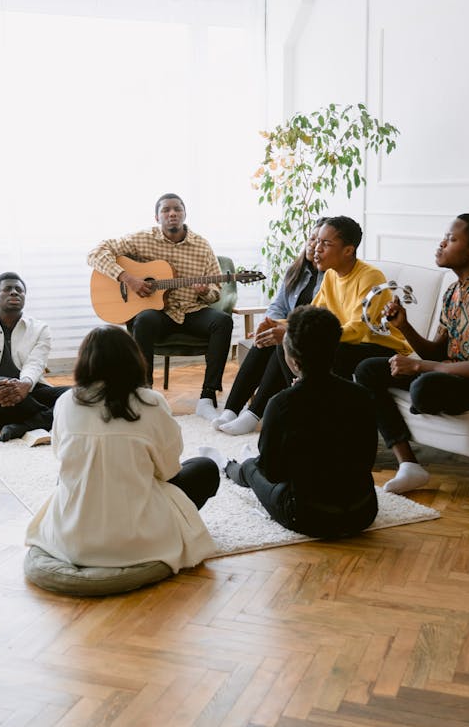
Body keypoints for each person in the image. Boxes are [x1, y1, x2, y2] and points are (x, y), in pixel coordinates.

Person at [355, 214, 469, 494]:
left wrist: (417, 367)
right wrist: (404, 326)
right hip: (456, 375)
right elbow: (437, 351)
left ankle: (420, 395)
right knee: (368, 369)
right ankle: (409, 465)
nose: (441, 244)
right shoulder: (454, 291)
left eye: (451, 239)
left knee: (424, 387)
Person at [25, 326, 219, 571]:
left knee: (68, 477)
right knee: (205, 467)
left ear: (84, 362)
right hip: (139, 540)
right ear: (134, 359)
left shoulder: (65, 401)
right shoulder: (152, 402)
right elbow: (169, 471)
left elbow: (60, 459)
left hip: (74, 541)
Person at [219, 306, 379, 539]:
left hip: (309, 515)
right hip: (363, 512)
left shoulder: (281, 403)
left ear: (292, 361)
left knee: (254, 468)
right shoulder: (362, 395)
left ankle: (229, 465)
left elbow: (272, 473)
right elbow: (366, 461)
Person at [87, 193, 233, 420]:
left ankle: (207, 396)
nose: (172, 213)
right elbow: (95, 253)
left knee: (223, 321)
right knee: (143, 320)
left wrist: (206, 292)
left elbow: (216, 290)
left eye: (177, 209)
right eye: (166, 210)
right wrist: (128, 279)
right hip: (158, 314)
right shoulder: (142, 239)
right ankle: (144, 393)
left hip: (191, 310)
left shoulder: (202, 246)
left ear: (185, 214)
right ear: (157, 217)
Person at [266, 216, 413, 386]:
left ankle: (314, 399)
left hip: (383, 347)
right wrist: (278, 325)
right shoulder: (331, 275)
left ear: (348, 251)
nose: (317, 249)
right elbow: (310, 315)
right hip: (351, 344)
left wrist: (309, 337)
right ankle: (304, 399)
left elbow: (358, 331)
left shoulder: (370, 277)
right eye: (317, 241)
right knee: (286, 343)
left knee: (334, 352)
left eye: (326, 244)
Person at [214, 218, 327, 436]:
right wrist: (269, 323)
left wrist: (281, 329)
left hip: (309, 336)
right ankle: (231, 410)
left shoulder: (330, 277)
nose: (314, 245)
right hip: (290, 330)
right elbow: (277, 305)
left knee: (280, 342)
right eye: (312, 238)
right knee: (264, 339)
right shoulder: (296, 272)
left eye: (321, 241)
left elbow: (318, 316)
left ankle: (253, 414)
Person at [0, 272, 69, 441]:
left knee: (78, 394)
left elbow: (35, 363)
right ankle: (55, 416)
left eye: (19, 289)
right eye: (7, 289)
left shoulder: (40, 328)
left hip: (30, 390)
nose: (14, 292)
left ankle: (24, 427)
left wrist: (25, 385)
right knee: (1, 386)